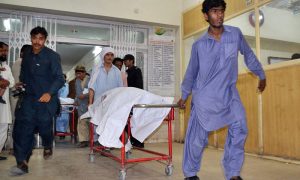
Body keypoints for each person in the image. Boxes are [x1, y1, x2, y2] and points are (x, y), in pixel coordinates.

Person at [177, 1, 266, 180]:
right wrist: (184, 95)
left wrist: (260, 74)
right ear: (206, 16)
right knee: (196, 139)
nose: (219, 15)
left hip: (229, 93)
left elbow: (248, 54)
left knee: (240, 127)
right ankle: (190, 173)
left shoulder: (235, 34)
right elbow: (191, 72)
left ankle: (233, 173)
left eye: (222, 11)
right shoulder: (199, 45)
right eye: (214, 11)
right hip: (205, 97)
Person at [11, 26, 64, 176]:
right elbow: (23, 74)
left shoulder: (52, 56)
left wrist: (49, 93)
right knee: (24, 130)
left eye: (41, 38)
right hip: (29, 99)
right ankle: (22, 163)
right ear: (31, 38)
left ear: (45, 40)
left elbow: (60, 78)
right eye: (35, 38)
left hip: (46, 101)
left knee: (45, 128)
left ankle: (48, 144)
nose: (37, 41)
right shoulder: (27, 54)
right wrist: (20, 83)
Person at [7, 44, 31, 152]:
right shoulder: (20, 62)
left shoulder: (19, 63)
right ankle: (14, 147)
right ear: (22, 53)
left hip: (18, 96)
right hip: (18, 96)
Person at [123, 54, 144, 148]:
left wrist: (136, 98)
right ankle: (131, 140)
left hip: (135, 99)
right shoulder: (126, 72)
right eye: (124, 61)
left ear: (132, 61)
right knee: (128, 121)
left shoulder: (137, 70)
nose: (125, 62)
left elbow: (139, 85)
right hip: (128, 99)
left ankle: (139, 142)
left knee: (136, 121)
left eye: (126, 60)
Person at [0, 42, 15, 160]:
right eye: (2, 50)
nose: (5, 53)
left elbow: (12, 82)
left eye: (6, 51)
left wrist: (6, 83)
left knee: (4, 127)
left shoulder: (7, 67)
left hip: (4, 102)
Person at [74, 65, 90, 148]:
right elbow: (77, 92)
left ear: (84, 73)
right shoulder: (77, 81)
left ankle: (92, 140)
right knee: (81, 123)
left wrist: (86, 95)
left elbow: (93, 91)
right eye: (77, 74)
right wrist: (76, 100)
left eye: (80, 73)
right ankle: (83, 141)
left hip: (88, 104)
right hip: (80, 105)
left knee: (90, 123)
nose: (78, 75)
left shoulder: (90, 80)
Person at [55, 74, 69, 139]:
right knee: (58, 119)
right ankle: (60, 133)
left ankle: (63, 132)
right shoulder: (56, 86)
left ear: (65, 79)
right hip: (58, 104)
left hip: (66, 104)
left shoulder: (67, 86)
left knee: (65, 119)